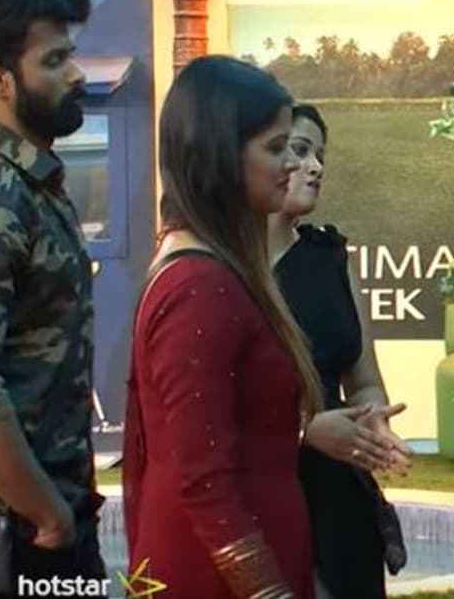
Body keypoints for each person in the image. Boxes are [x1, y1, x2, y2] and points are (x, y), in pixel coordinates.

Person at [123, 56, 323, 598]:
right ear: (221, 156)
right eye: (276, 148)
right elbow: (203, 480)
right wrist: (268, 592)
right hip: (210, 576)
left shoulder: (213, 272)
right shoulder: (198, 287)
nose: (292, 163)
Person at [0, 0, 104, 593]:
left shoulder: (32, 183)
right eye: (55, 60)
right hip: (9, 537)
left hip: (48, 522)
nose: (76, 74)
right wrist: (46, 513)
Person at [267, 103, 411, 599]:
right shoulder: (217, 268)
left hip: (340, 495)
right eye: (300, 150)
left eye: (321, 156)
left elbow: (364, 380)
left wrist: (373, 423)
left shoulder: (330, 258)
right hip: (264, 490)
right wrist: (304, 431)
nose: (315, 167)